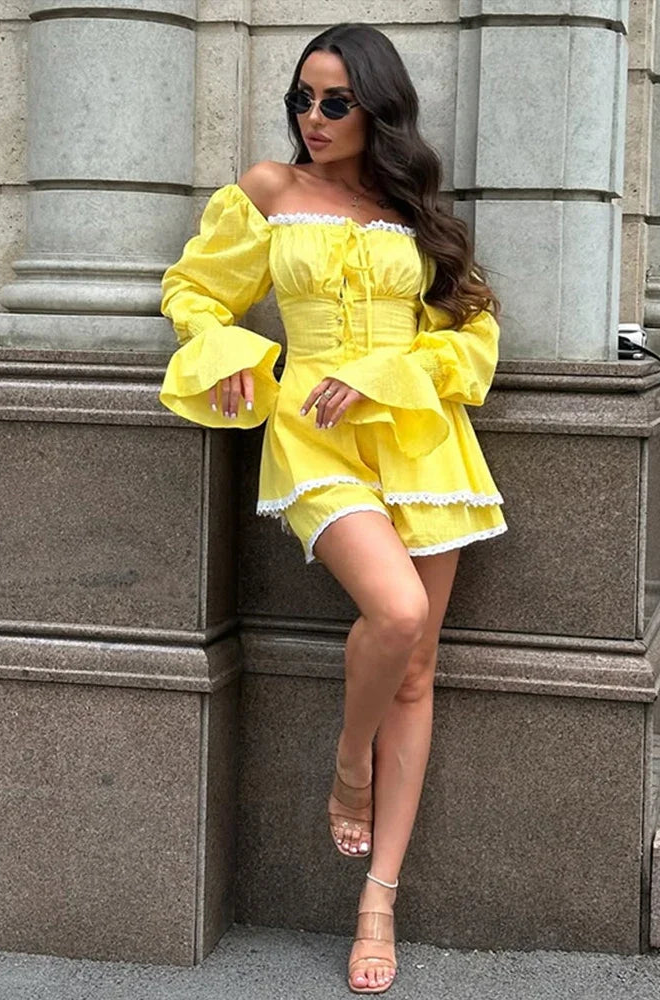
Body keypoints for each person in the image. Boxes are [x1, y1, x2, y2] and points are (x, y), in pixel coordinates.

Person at [158, 21, 506, 995]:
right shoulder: (269, 191)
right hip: (313, 435)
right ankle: (348, 764)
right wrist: (231, 357)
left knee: (418, 666)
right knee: (393, 614)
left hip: (423, 438)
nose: (313, 118)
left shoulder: (413, 209)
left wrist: (388, 367)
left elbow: (475, 333)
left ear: (378, 108)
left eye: (335, 101)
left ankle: (376, 900)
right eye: (302, 99)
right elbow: (194, 291)